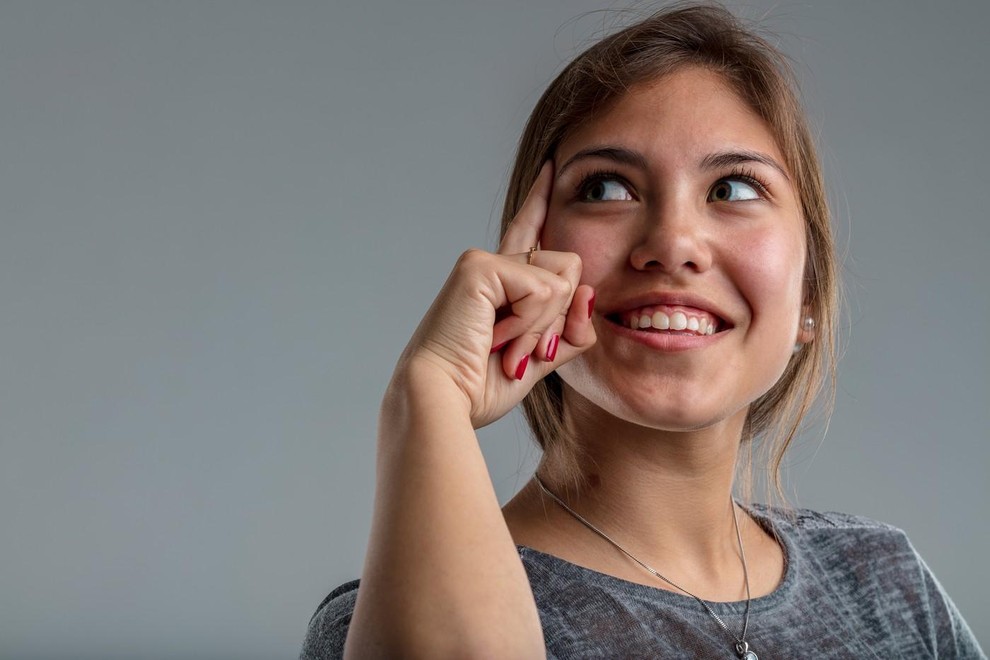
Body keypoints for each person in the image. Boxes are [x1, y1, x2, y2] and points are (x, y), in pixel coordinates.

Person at [301, 4, 985, 658]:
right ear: (527, 259)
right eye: (605, 188)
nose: (672, 243)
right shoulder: (392, 618)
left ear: (807, 294)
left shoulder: (882, 581)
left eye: (734, 190)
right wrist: (427, 396)